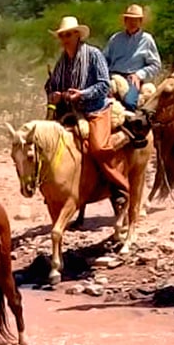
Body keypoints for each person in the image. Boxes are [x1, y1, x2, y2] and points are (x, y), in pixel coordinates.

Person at [45, 16, 129, 210]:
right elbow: (52, 85)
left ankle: (118, 187)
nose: (65, 38)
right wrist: (54, 94)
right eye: (62, 35)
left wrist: (81, 94)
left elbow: (103, 84)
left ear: (77, 35)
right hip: (69, 111)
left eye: (68, 34)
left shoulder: (93, 54)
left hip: (95, 109)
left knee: (98, 148)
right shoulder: (62, 60)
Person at [103, 4, 162, 110]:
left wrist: (139, 75)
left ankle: (136, 123)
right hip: (113, 76)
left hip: (132, 78)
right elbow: (104, 59)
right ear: (125, 21)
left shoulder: (147, 40)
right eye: (129, 19)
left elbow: (156, 65)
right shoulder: (115, 38)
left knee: (129, 102)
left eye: (135, 20)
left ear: (140, 22)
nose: (132, 23)